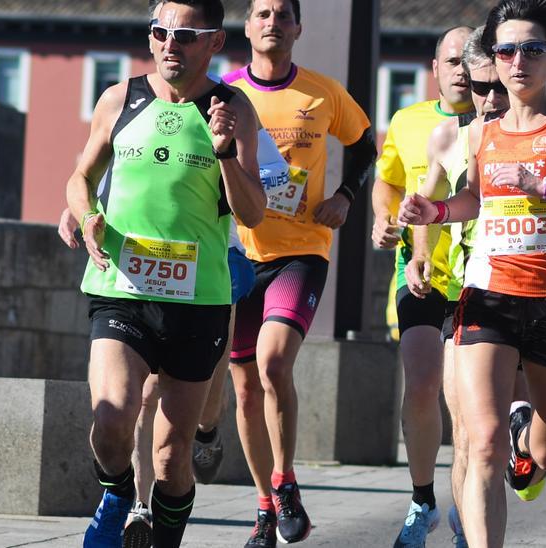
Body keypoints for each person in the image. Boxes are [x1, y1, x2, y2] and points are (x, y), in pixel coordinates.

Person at [398, 1, 546, 544]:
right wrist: (434, 211)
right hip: (488, 296)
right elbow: (473, 200)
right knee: (481, 442)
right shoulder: (480, 134)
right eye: (506, 50)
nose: (518, 61)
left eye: (532, 49)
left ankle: (523, 431)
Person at [68, 0, 266, 545]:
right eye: (160, 32)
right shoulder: (119, 98)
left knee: (172, 455)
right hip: (121, 287)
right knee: (111, 419)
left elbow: (253, 213)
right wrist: (86, 216)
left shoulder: (233, 108)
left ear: (215, 42)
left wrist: (225, 153)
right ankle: (117, 494)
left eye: (186, 35)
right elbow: (80, 177)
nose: (169, 44)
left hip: (198, 300)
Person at [221, 0, 376, 544]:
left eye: (283, 15)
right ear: (246, 27)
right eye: (262, 14)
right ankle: (265, 508)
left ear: (298, 29)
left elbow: (365, 147)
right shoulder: (222, 93)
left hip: (302, 250)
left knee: (273, 362)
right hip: (237, 254)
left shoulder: (322, 91)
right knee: (245, 391)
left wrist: (345, 195)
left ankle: (285, 479)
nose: (273, 23)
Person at [403, 25, 511, 548]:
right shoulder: (451, 137)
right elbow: (427, 199)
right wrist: (420, 254)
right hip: (469, 297)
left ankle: (530, 453)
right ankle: (468, 535)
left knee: (530, 444)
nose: (489, 97)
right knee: (469, 434)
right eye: (481, 85)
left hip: (536, 298)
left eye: (498, 87)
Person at [369, 25, 478, 547]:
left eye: (470, 61)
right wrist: (382, 217)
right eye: (452, 61)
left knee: (469, 405)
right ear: (434, 68)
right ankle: (422, 500)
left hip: (480, 275)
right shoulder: (407, 120)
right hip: (420, 270)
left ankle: (468, 509)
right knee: (421, 383)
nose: (461, 71)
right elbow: (388, 181)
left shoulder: (498, 123)